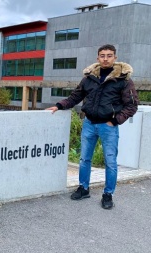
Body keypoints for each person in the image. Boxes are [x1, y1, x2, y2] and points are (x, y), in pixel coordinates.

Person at [46, 44, 138, 210]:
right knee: (84, 159)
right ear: (97, 58)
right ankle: (83, 188)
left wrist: (115, 121)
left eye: (109, 55)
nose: (105, 58)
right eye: (102, 55)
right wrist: (58, 106)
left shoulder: (123, 80)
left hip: (108, 126)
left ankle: (108, 194)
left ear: (115, 58)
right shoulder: (89, 78)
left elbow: (131, 105)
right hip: (89, 124)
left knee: (110, 162)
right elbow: (75, 97)